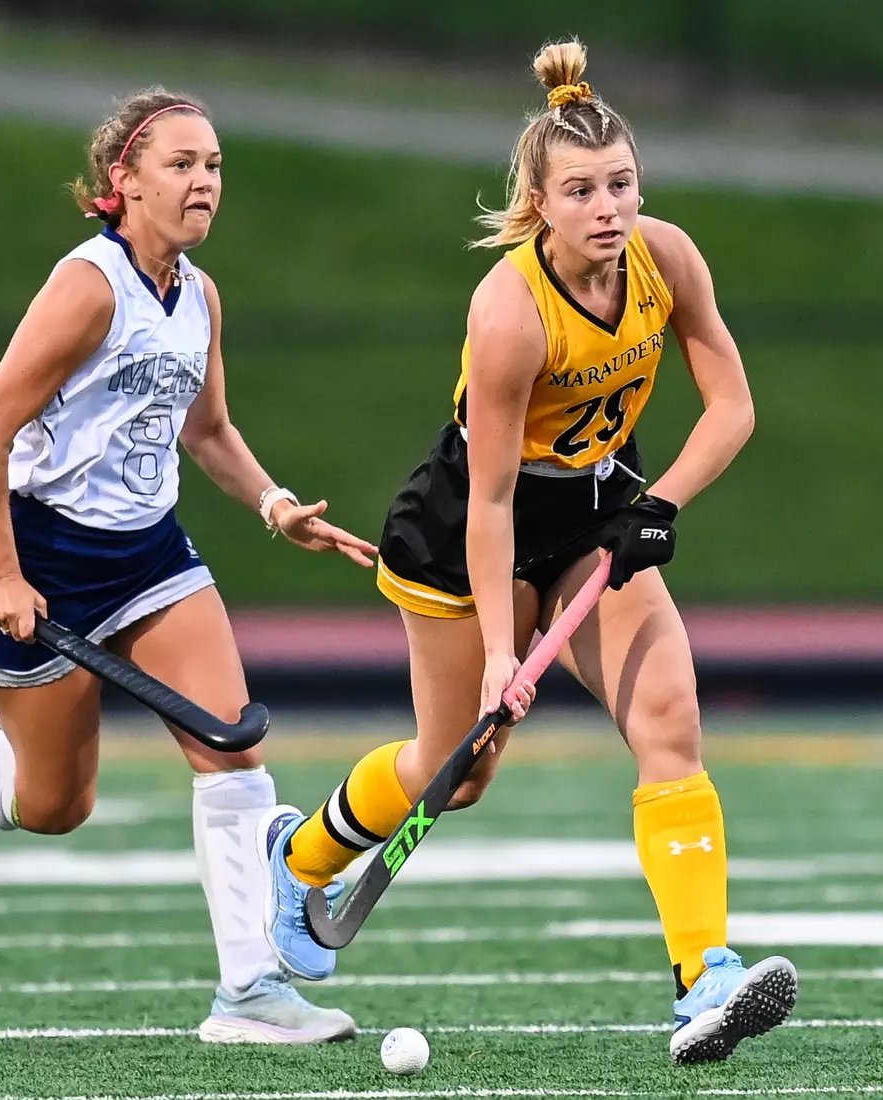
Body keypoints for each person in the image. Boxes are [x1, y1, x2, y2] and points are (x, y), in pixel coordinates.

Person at [0, 88, 375, 1045]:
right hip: (45, 554)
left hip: (150, 555)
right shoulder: (90, 286)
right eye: (180, 165)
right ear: (122, 184)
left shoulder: (200, 294)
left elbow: (208, 429)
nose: (204, 182)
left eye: (214, 165)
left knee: (231, 744)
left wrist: (275, 507)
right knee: (51, 804)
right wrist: (7, 577)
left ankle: (250, 996)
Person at [258, 42, 798, 1065]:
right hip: (470, 526)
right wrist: (505, 656)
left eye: (622, 184)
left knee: (668, 718)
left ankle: (703, 978)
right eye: (583, 190)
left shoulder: (666, 260)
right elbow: (494, 498)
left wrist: (661, 501)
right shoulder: (509, 313)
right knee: (455, 770)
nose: (609, 207)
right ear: (539, 203)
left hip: (598, 513)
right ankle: (299, 857)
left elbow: (732, 405)